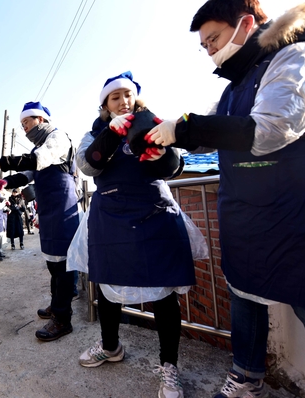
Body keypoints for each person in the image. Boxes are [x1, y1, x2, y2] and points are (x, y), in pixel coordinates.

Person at [142, 2, 305, 397]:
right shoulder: (236, 83)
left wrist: (182, 129)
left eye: (214, 39)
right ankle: (246, 377)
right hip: (251, 207)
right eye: (203, 46)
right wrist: (162, 137)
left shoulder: (300, 57)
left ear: (247, 24)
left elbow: (274, 128)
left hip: (300, 206)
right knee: (242, 288)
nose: (210, 51)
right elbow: (209, 129)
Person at [74, 71, 195, 397]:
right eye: (116, 97)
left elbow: (176, 165)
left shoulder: (153, 124)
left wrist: (163, 153)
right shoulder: (93, 134)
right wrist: (111, 136)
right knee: (109, 283)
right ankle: (111, 346)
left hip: (154, 214)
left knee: (164, 290)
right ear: (105, 103)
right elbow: (87, 166)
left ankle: (169, 366)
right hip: (111, 218)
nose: (123, 101)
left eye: (128, 95)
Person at [0, 101, 79, 341]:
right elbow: (29, 174)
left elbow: (35, 162)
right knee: (52, 261)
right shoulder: (41, 145)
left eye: (27, 122)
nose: (24, 128)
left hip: (62, 208)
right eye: (22, 125)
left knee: (63, 263)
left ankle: (63, 318)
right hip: (47, 209)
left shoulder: (57, 139)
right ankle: (57, 303)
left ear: (41, 119)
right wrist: (7, 182)